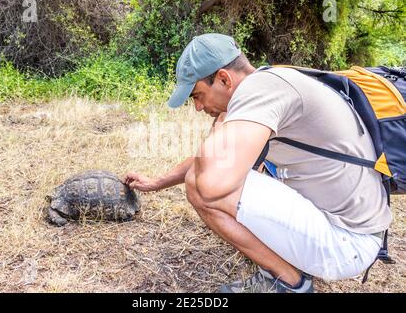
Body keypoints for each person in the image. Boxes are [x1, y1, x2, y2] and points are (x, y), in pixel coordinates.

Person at [124, 33, 392, 293]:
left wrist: (220, 126)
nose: (197, 107)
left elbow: (210, 183)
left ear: (223, 79)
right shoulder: (268, 81)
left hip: (347, 244)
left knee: (199, 187)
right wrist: (159, 182)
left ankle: (290, 283)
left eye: (197, 95)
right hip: (350, 230)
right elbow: (211, 160)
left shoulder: (259, 92)